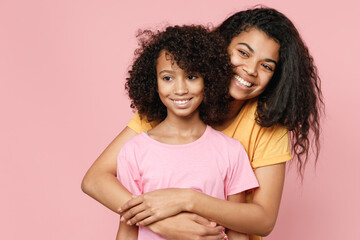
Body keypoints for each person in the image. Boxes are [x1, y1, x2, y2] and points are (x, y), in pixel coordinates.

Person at [81, 6, 323, 240]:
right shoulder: (171, 105)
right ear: (219, 49)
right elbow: (95, 179)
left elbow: (263, 220)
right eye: (243, 53)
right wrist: (164, 223)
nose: (250, 69)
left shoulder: (265, 127)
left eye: (266, 66)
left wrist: (187, 199)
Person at [115, 25, 259, 240]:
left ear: (208, 80)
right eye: (167, 78)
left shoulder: (230, 151)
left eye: (191, 76)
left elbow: (237, 230)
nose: (180, 89)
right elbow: (128, 230)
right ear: (153, 84)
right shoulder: (133, 151)